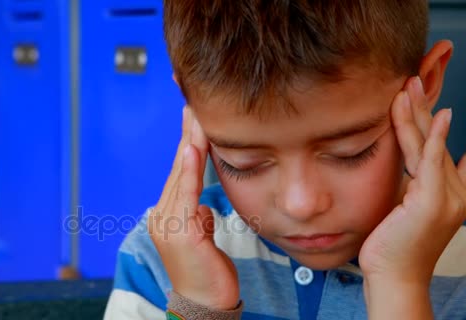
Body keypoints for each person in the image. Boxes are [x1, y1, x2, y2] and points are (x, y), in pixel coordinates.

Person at [104, 1, 466, 319]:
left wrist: (399, 286)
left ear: (426, 81)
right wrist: (199, 308)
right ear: (193, 109)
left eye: (349, 153)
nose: (301, 204)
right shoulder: (164, 258)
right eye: (244, 162)